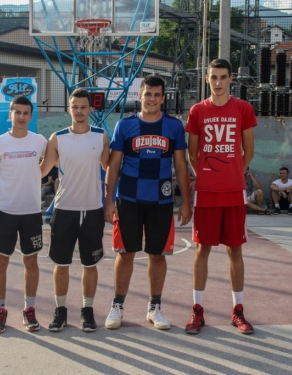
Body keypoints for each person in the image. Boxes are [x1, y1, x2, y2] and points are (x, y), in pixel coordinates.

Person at [104, 75, 191, 331]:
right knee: (125, 253)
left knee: (157, 255)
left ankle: (154, 307)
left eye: (156, 94)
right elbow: (113, 164)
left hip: (161, 199)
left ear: (163, 98)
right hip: (129, 199)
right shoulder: (124, 125)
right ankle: (117, 305)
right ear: (139, 96)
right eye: (148, 94)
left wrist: (186, 201)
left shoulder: (174, 127)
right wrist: (108, 200)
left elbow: (180, 165)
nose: (152, 99)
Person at [185, 58, 256, 335]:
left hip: (234, 192)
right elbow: (193, 153)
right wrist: (204, 174)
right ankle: (197, 310)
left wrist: (236, 172)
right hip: (207, 193)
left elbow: (248, 151)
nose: (218, 82)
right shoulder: (197, 111)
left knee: (234, 250)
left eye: (223, 77)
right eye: (213, 77)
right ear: (206, 78)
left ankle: (238, 311)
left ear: (230, 79)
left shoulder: (243, 109)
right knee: (202, 250)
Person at [40, 88, 110, 332]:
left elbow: (110, 167)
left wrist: (111, 201)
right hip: (64, 208)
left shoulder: (101, 137)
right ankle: (60, 311)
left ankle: (87, 311)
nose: (79, 111)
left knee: (90, 265)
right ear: (68, 109)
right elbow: (41, 170)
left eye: (83, 107)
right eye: (75, 107)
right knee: (61, 263)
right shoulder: (57, 138)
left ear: (90, 109)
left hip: (92, 209)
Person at [0, 96, 47, 334]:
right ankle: (0, 310)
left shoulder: (40, 141)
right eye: (16, 112)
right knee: (1, 261)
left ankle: (29, 309)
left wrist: (36, 174)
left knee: (31, 261)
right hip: (4, 212)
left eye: (25, 113)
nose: (21, 117)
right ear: (10, 115)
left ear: (31, 116)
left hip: (31, 212)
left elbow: (54, 161)